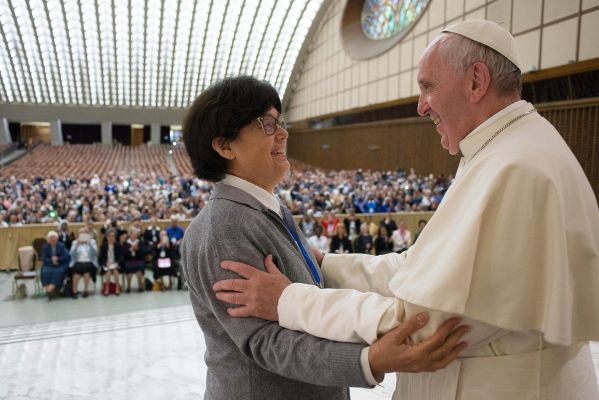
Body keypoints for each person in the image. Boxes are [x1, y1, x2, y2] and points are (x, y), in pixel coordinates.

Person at [213, 21, 599, 399]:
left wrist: (288, 300)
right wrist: (326, 265)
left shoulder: (513, 168)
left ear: (476, 82)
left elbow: (419, 327)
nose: (420, 106)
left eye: (428, 86)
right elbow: (419, 269)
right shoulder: (506, 150)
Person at [181, 76, 468, 400]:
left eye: (280, 122)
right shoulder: (225, 227)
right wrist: (367, 360)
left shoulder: (267, 210)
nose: (283, 133)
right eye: (267, 124)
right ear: (224, 145)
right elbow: (264, 341)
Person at [69, 227, 98, 298]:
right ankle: (75, 290)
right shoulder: (75, 242)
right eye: (81, 233)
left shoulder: (92, 241)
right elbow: (71, 254)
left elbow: (95, 253)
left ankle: (86, 290)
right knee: (77, 271)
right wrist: (77, 245)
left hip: (89, 261)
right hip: (78, 261)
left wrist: (90, 245)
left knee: (86, 270)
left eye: (85, 233)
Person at [40, 230, 70, 300]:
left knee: (58, 272)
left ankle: (49, 290)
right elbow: (43, 258)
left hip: (60, 264)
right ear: (48, 239)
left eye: (54, 238)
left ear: (57, 238)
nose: (53, 239)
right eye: (51, 238)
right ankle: (48, 290)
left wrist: (57, 259)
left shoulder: (61, 246)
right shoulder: (45, 247)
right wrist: (51, 260)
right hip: (48, 264)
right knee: (45, 271)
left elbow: (65, 257)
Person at [98, 228, 122, 296]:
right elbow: (100, 258)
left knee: (115, 272)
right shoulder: (103, 246)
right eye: (110, 236)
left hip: (115, 264)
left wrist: (117, 263)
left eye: (113, 236)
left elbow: (121, 257)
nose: (111, 238)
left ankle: (117, 288)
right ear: (107, 237)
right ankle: (106, 289)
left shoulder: (118, 245)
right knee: (108, 272)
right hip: (107, 264)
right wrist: (105, 263)